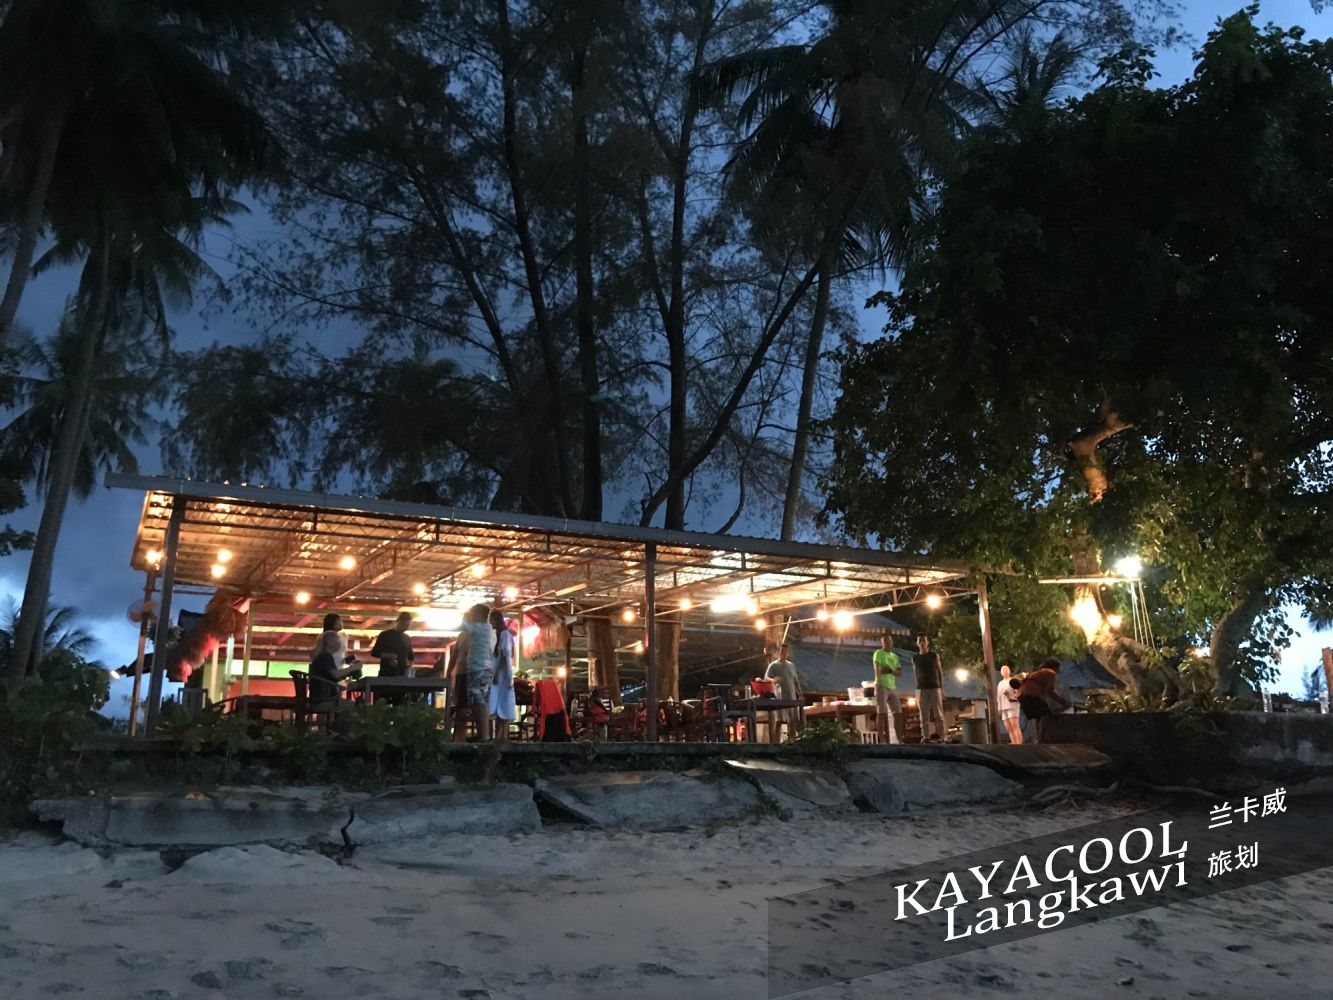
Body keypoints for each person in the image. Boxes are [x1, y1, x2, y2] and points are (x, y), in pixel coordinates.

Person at [452, 604, 495, 741]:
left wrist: (465, 616)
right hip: (484, 668)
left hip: (477, 668)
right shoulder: (488, 629)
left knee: (478, 701)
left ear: (480, 616)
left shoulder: (479, 627)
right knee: (480, 701)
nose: (472, 617)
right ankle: (483, 734)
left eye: (474, 614)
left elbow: (461, 626)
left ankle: (484, 735)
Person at [1017, 658, 1068, 742]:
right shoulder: (1050, 673)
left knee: (1039, 716)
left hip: (1023, 696)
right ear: (1055, 667)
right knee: (1046, 717)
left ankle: (1039, 739)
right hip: (1032, 695)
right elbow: (1050, 690)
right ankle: (1043, 739)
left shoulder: (1037, 672)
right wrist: (1062, 701)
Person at [309, 629, 361, 710]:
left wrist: (349, 672)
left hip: (318, 699)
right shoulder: (326, 656)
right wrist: (353, 668)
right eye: (337, 640)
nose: (340, 643)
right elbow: (336, 675)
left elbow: (334, 677)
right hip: (324, 699)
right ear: (329, 642)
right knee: (357, 707)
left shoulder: (322, 656)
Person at [763, 643, 803, 744]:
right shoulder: (774, 665)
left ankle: (792, 742)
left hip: (791, 696)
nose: (783, 653)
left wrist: (800, 694)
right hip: (779, 697)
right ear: (779, 652)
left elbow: (796, 680)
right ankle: (775, 743)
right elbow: (766, 678)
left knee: (792, 721)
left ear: (788, 653)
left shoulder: (791, 665)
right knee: (779, 721)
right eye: (782, 651)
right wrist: (773, 680)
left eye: (785, 651)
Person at [487, 609, 517, 740]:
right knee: (500, 701)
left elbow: (505, 656)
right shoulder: (500, 635)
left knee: (501, 700)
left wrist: (497, 673)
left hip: (502, 674)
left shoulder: (505, 635)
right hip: (500, 673)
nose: (490, 622)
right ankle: (501, 736)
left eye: (491, 620)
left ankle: (500, 736)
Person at [912, 633, 946, 743]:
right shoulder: (915, 658)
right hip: (921, 688)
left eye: (924, 641)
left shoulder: (933, 655)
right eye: (920, 641)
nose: (922, 643)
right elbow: (915, 673)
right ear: (917, 643)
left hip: (934, 686)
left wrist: (941, 688)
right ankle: (925, 736)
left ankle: (942, 736)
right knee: (923, 714)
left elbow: (939, 672)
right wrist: (917, 687)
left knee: (938, 714)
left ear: (927, 643)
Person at [872, 635, 903, 743]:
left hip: (892, 686)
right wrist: (879, 682)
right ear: (882, 642)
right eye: (885, 641)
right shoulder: (878, 653)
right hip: (881, 685)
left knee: (898, 712)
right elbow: (878, 669)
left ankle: (899, 739)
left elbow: (899, 672)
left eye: (889, 641)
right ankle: (882, 739)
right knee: (881, 712)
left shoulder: (895, 656)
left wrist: (889, 670)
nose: (887, 643)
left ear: (892, 642)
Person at [371, 611, 415, 678]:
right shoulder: (385, 635)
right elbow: (374, 653)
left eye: (408, 626)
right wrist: (389, 656)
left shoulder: (407, 638)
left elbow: (411, 657)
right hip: (386, 674)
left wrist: (409, 668)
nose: (406, 628)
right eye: (404, 625)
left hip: (402, 675)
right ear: (398, 621)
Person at [998, 664, 1023, 745]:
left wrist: (1012, 696)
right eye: (1003, 670)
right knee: (1009, 728)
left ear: (1009, 671)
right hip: (1003, 707)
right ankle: (1014, 743)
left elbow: (1019, 692)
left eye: (1006, 669)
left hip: (1012, 706)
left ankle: (1019, 744)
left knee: (1014, 726)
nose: (1004, 671)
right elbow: (998, 696)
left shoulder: (1013, 681)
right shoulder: (1000, 683)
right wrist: (999, 709)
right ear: (1001, 672)